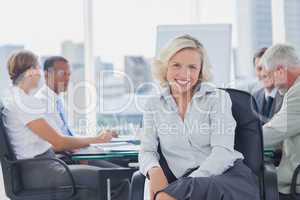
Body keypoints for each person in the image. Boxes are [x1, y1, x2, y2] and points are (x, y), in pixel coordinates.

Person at [138, 35, 260, 200]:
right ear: (165, 67)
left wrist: (187, 185)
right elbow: (147, 150)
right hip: (183, 182)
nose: (184, 74)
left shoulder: (218, 99)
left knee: (165, 198)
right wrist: (154, 170)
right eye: (176, 65)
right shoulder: (153, 105)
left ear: (201, 71)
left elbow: (222, 152)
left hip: (227, 177)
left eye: (192, 67)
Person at [1, 50, 125, 200]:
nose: (40, 75)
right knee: (117, 180)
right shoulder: (24, 103)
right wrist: (97, 139)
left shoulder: (15, 99)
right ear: (31, 71)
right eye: (38, 69)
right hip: (42, 171)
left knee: (113, 177)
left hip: (42, 167)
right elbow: (58, 142)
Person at [259, 44, 300, 199]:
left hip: (293, 184)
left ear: (280, 70)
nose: (271, 83)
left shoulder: (298, 92)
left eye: (269, 75)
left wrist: (234, 140)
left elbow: (272, 132)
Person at [253, 47, 283, 124]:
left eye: (267, 67)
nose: (263, 73)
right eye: (259, 69)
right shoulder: (254, 98)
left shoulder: (288, 96)